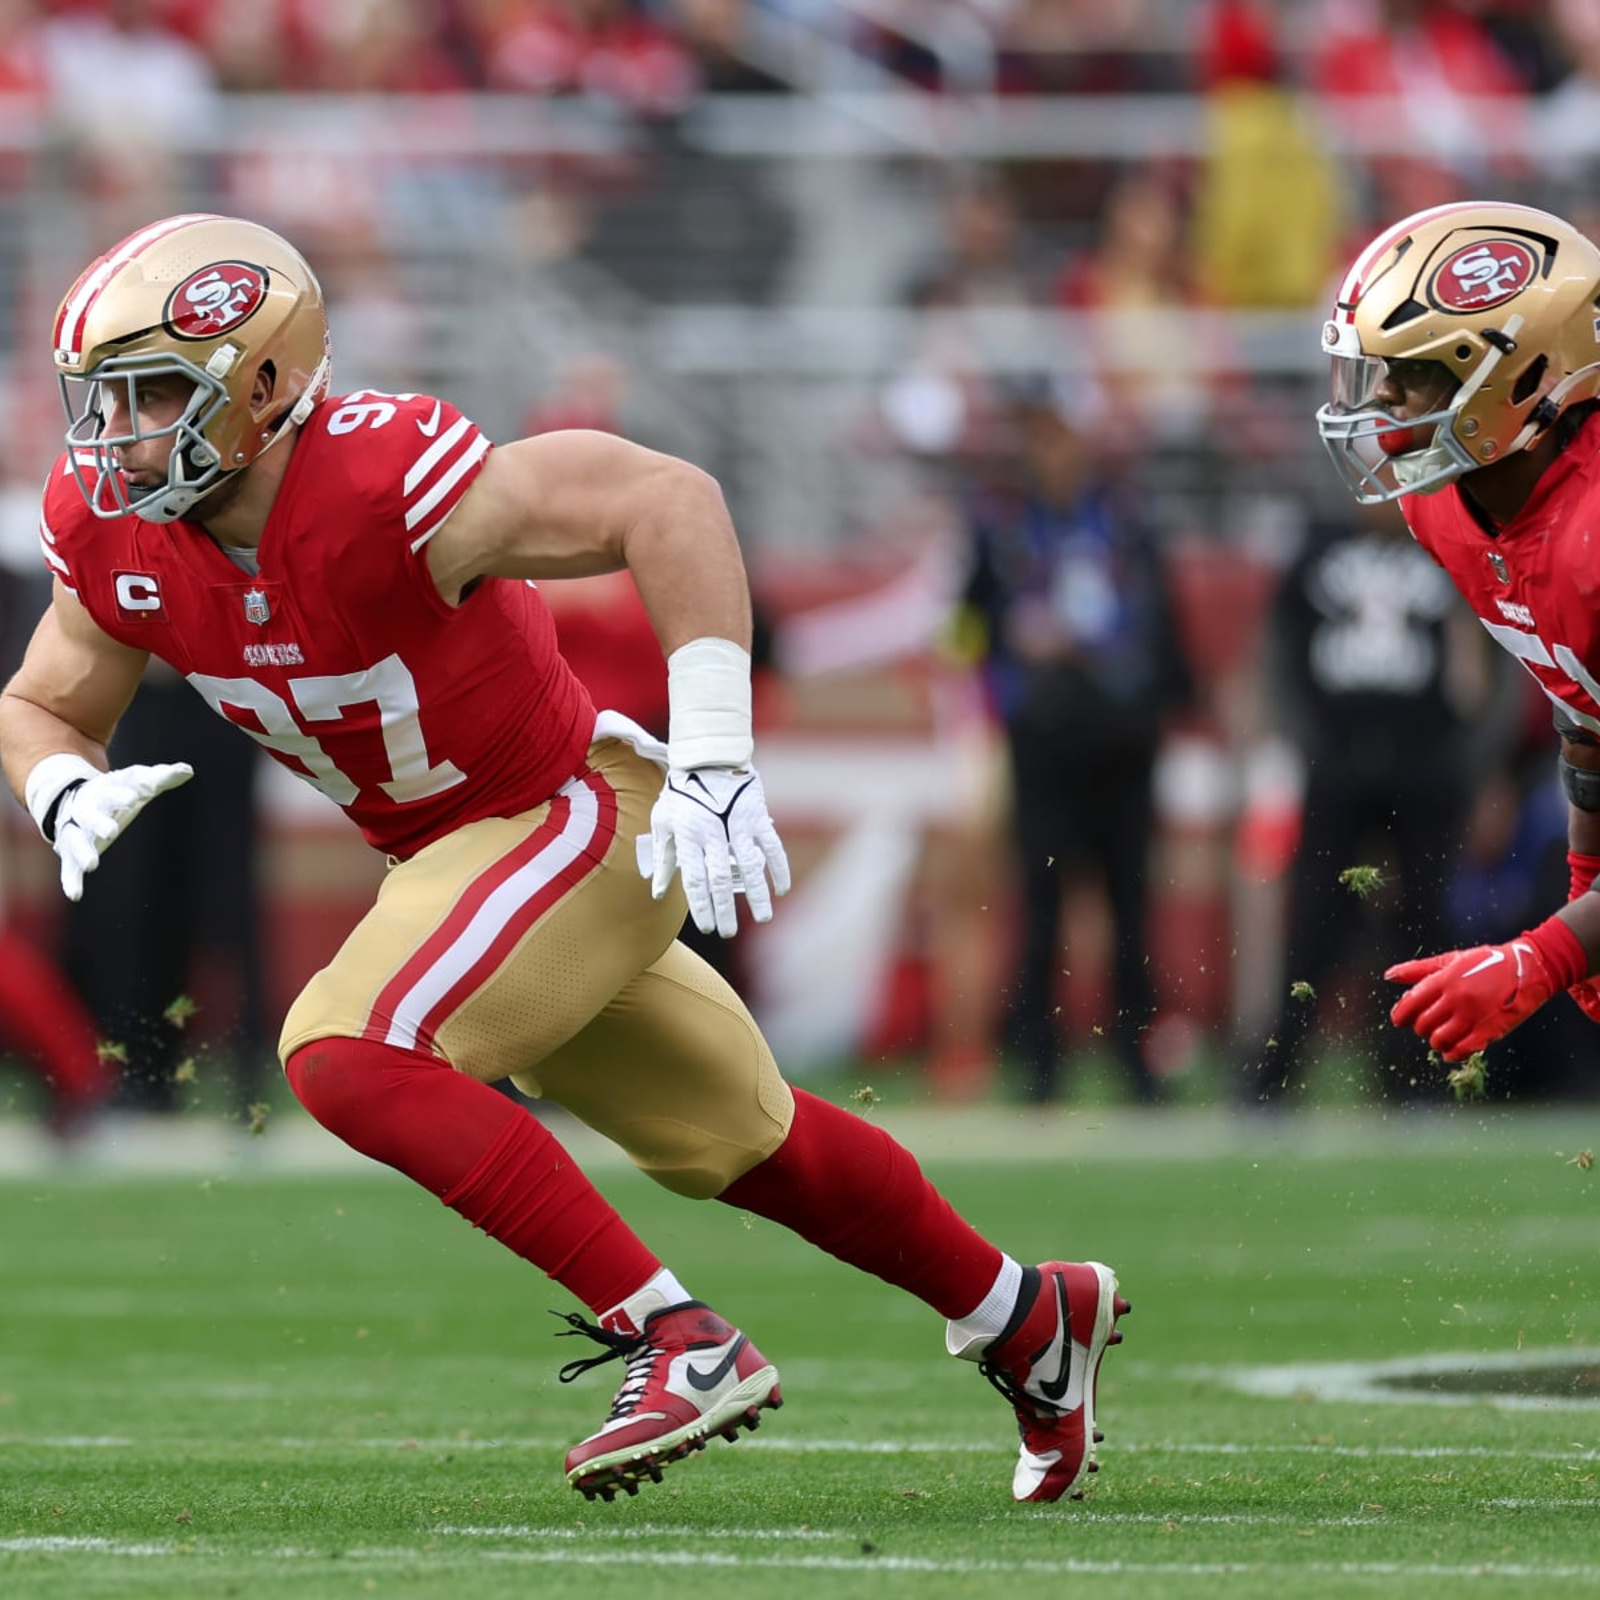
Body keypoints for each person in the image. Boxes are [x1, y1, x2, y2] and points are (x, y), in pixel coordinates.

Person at [0, 213, 1128, 1505]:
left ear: (263, 385)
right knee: (753, 1145)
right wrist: (57, 787)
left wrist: (713, 754)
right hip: (461, 859)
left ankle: (675, 1338)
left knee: (347, 1049)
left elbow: (667, 500)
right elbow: (42, 700)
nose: (118, 433)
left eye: (152, 394)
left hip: (571, 810)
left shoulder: (379, 480)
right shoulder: (113, 530)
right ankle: (1031, 1318)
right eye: (105, 397)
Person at [1315, 198, 1600, 1066]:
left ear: (1525, 378)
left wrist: (1546, 952)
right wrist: (1587, 881)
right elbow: (1582, 704)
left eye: (1417, 373)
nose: (1386, 402)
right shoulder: (1442, 504)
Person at [1238, 494, 1520, 1104]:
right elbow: (1278, 651)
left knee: (1422, 928)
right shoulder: (1318, 551)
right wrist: (1305, 742)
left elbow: (1503, 651)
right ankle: (1274, 1079)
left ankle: (1416, 1082)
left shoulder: (1452, 545)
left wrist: (1474, 761)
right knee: (1316, 921)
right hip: (1336, 771)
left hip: (1427, 774)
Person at [960, 378, 1193, 1104]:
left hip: (1123, 742)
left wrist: (1155, 699)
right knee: (1043, 908)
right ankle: (1038, 1069)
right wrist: (1007, 666)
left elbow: (1163, 628)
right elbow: (964, 629)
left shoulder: (1127, 520)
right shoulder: (999, 527)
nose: (1051, 450)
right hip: (1044, 743)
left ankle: (1139, 1065)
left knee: (1130, 908)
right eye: (1039, 436)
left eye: (1060, 433)